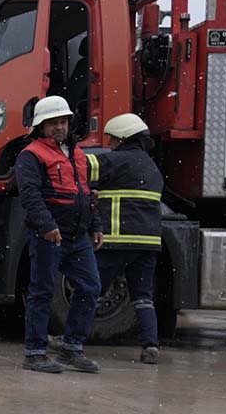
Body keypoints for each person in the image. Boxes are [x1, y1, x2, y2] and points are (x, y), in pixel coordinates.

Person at [15, 95, 103, 374]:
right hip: (48, 236)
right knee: (42, 291)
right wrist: (47, 226)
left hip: (77, 237)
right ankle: (35, 353)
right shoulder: (31, 155)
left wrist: (96, 225)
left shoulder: (78, 154)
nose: (59, 127)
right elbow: (30, 196)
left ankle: (71, 349)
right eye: (52, 123)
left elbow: (87, 193)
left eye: (63, 122)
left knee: (90, 288)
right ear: (40, 126)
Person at [88, 113, 165, 364]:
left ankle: (71, 338)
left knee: (91, 290)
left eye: (111, 140)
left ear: (123, 138)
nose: (109, 144)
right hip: (148, 244)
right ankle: (150, 346)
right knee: (143, 296)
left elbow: (83, 169)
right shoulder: (151, 167)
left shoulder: (117, 160)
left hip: (117, 241)